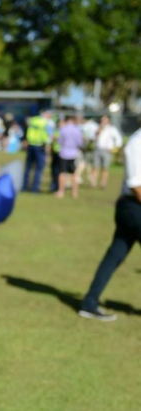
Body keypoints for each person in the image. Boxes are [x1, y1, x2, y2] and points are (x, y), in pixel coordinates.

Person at [78, 118, 141, 321]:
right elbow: (136, 185)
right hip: (134, 206)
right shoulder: (136, 143)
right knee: (114, 255)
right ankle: (89, 303)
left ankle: (89, 303)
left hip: (132, 208)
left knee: (114, 255)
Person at [22, 110, 52, 193]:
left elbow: (27, 130)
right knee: (38, 168)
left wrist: (26, 140)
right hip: (40, 146)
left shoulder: (33, 120)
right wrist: (47, 144)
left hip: (31, 144)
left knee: (28, 167)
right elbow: (46, 135)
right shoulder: (45, 123)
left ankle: (24, 187)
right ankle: (35, 188)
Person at [90, 115, 123, 189]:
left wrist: (114, 147)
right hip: (97, 149)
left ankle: (103, 183)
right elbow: (92, 138)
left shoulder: (111, 129)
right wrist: (98, 132)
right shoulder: (97, 128)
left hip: (106, 150)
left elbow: (118, 139)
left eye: (104, 119)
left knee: (105, 168)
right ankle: (93, 183)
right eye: (102, 120)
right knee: (95, 167)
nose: (103, 121)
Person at [55, 116, 84, 199]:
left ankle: (61, 191)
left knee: (62, 173)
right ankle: (74, 192)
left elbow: (60, 141)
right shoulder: (77, 130)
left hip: (63, 153)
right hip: (73, 154)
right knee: (74, 174)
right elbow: (80, 143)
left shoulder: (63, 130)